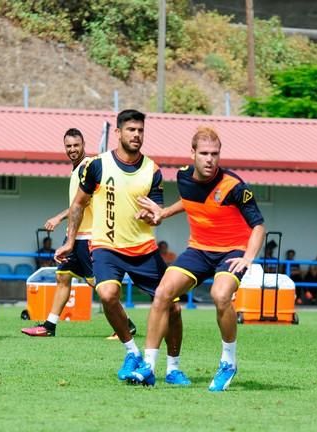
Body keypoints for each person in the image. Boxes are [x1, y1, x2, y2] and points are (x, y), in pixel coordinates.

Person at [53, 109, 188, 384]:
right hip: (106, 247)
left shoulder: (153, 170)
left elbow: (157, 211)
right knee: (107, 294)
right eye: (131, 130)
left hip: (143, 249)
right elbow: (78, 204)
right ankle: (132, 352)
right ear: (118, 133)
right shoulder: (97, 166)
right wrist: (69, 241)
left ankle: (173, 368)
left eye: (140, 130)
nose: (136, 135)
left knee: (173, 308)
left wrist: (153, 215)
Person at [129, 126, 265, 391]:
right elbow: (189, 201)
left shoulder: (234, 186)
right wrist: (163, 213)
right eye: (204, 153)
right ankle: (148, 366)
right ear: (192, 154)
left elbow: (258, 226)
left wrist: (248, 257)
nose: (209, 159)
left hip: (232, 251)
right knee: (162, 293)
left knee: (220, 295)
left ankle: (228, 362)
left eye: (215, 153)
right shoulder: (183, 177)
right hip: (199, 249)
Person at [22, 128, 128, 337]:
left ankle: (126, 324)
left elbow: (83, 202)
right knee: (62, 277)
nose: (72, 149)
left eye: (76, 145)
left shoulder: (86, 167)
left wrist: (58, 218)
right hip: (74, 235)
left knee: (97, 284)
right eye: (68, 146)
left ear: (83, 145)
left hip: (87, 236)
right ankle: (49, 326)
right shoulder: (76, 169)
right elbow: (76, 205)